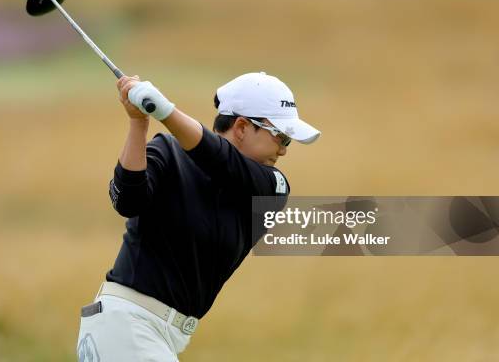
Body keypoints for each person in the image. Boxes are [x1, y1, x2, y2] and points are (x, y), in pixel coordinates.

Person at [77, 72, 320, 361]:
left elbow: (220, 159)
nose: (283, 150)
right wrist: (139, 122)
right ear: (241, 126)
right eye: (280, 136)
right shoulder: (168, 151)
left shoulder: (271, 187)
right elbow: (127, 201)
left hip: (165, 335)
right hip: (126, 323)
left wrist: (166, 111)